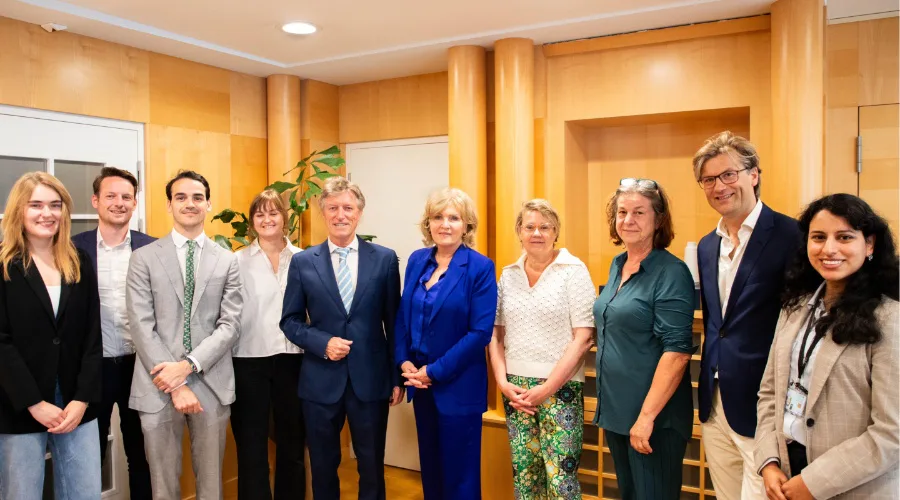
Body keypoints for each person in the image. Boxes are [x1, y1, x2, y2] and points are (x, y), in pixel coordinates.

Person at [755, 194, 899, 500]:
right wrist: (768, 461)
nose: (829, 249)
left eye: (844, 237)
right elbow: (770, 392)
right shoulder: (795, 307)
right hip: (786, 471)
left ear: (869, 244)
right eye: (818, 237)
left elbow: (892, 433)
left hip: (854, 485)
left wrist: (813, 483)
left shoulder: (890, 320)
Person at [692, 131, 800, 500]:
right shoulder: (707, 245)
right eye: (709, 179)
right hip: (716, 402)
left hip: (765, 405)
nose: (719, 186)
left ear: (753, 174)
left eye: (728, 174)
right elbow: (716, 326)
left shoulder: (791, 235)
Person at [280, 176, 402, 500]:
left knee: (372, 465)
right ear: (323, 213)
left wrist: (396, 377)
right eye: (333, 208)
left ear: (359, 213)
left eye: (348, 207)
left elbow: (394, 323)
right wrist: (322, 343)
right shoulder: (303, 262)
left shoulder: (385, 259)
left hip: (372, 381)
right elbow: (289, 322)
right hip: (320, 383)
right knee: (322, 465)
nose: (340, 215)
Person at [126, 170, 243, 500]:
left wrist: (189, 366)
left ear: (208, 204)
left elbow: (230, 325)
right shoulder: (143, 258)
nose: (189, 204)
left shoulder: (227, 261)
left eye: (197, 197)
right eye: (180, 197)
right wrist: (174, 381)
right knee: (162, 486)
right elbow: (140, 324)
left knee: (210, 485)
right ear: (169, 205)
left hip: (210, 382)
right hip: (157, 383)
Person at [0, 172, 102, 499]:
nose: (47, 213)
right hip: (19, 402)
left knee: (83, 492)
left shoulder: (79, 261)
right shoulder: (4, 264)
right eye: (36, 205)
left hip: (75, 402)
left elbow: (91, 335)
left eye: (55, 205)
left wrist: (82, 398)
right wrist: (33, 402)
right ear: (19, 211)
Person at [593, 178, 695, 500]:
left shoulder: (671, 272)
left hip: (653, 420)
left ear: (658, 219)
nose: (628, 220)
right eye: (622, 212)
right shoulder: (618, 264)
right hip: (618, 413)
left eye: (639, 212)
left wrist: (646, 418)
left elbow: (677, 352)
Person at [395, 188, 497, 499]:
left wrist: (433, 371)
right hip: (421, 386)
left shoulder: (480, 267)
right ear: (428, 224)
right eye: (438, 217)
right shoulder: (417, 260)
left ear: (467, 225)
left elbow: (480, 332)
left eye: (454, 218)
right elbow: (403, 314)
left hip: (457, 385)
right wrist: (404, 362)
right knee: (432, 470)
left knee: (460, 478)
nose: (445, 224)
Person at [489, 199, 595, 499]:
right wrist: (502, 382)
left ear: (556, 232)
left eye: (545, 227)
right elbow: (495, 335)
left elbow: (584, 337)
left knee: (561, 477)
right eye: (530, 226)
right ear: (519, 232)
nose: (537, 233)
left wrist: (547, 387)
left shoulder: (573, 271)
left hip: (560, 387)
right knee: (525, 474)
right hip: (515, 390)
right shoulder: (508, 275)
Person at [72, 167, 154, 500]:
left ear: (135, 203)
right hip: (93, 367)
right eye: (111, 196)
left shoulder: (152, 249)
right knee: (89, 456)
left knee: (142, 453)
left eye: (126, 197)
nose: (119, 203)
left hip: (142, 366)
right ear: (95, 201)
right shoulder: (73, 250)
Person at [232, 189, 305, 500]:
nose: (266, 219)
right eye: (259, 214)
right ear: (252, 222)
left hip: (295, 362)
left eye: (273, 213)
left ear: (284, 219)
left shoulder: (305, 259)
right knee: (251, 447)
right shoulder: (235, 261)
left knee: (292, 445)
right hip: (249, 362)